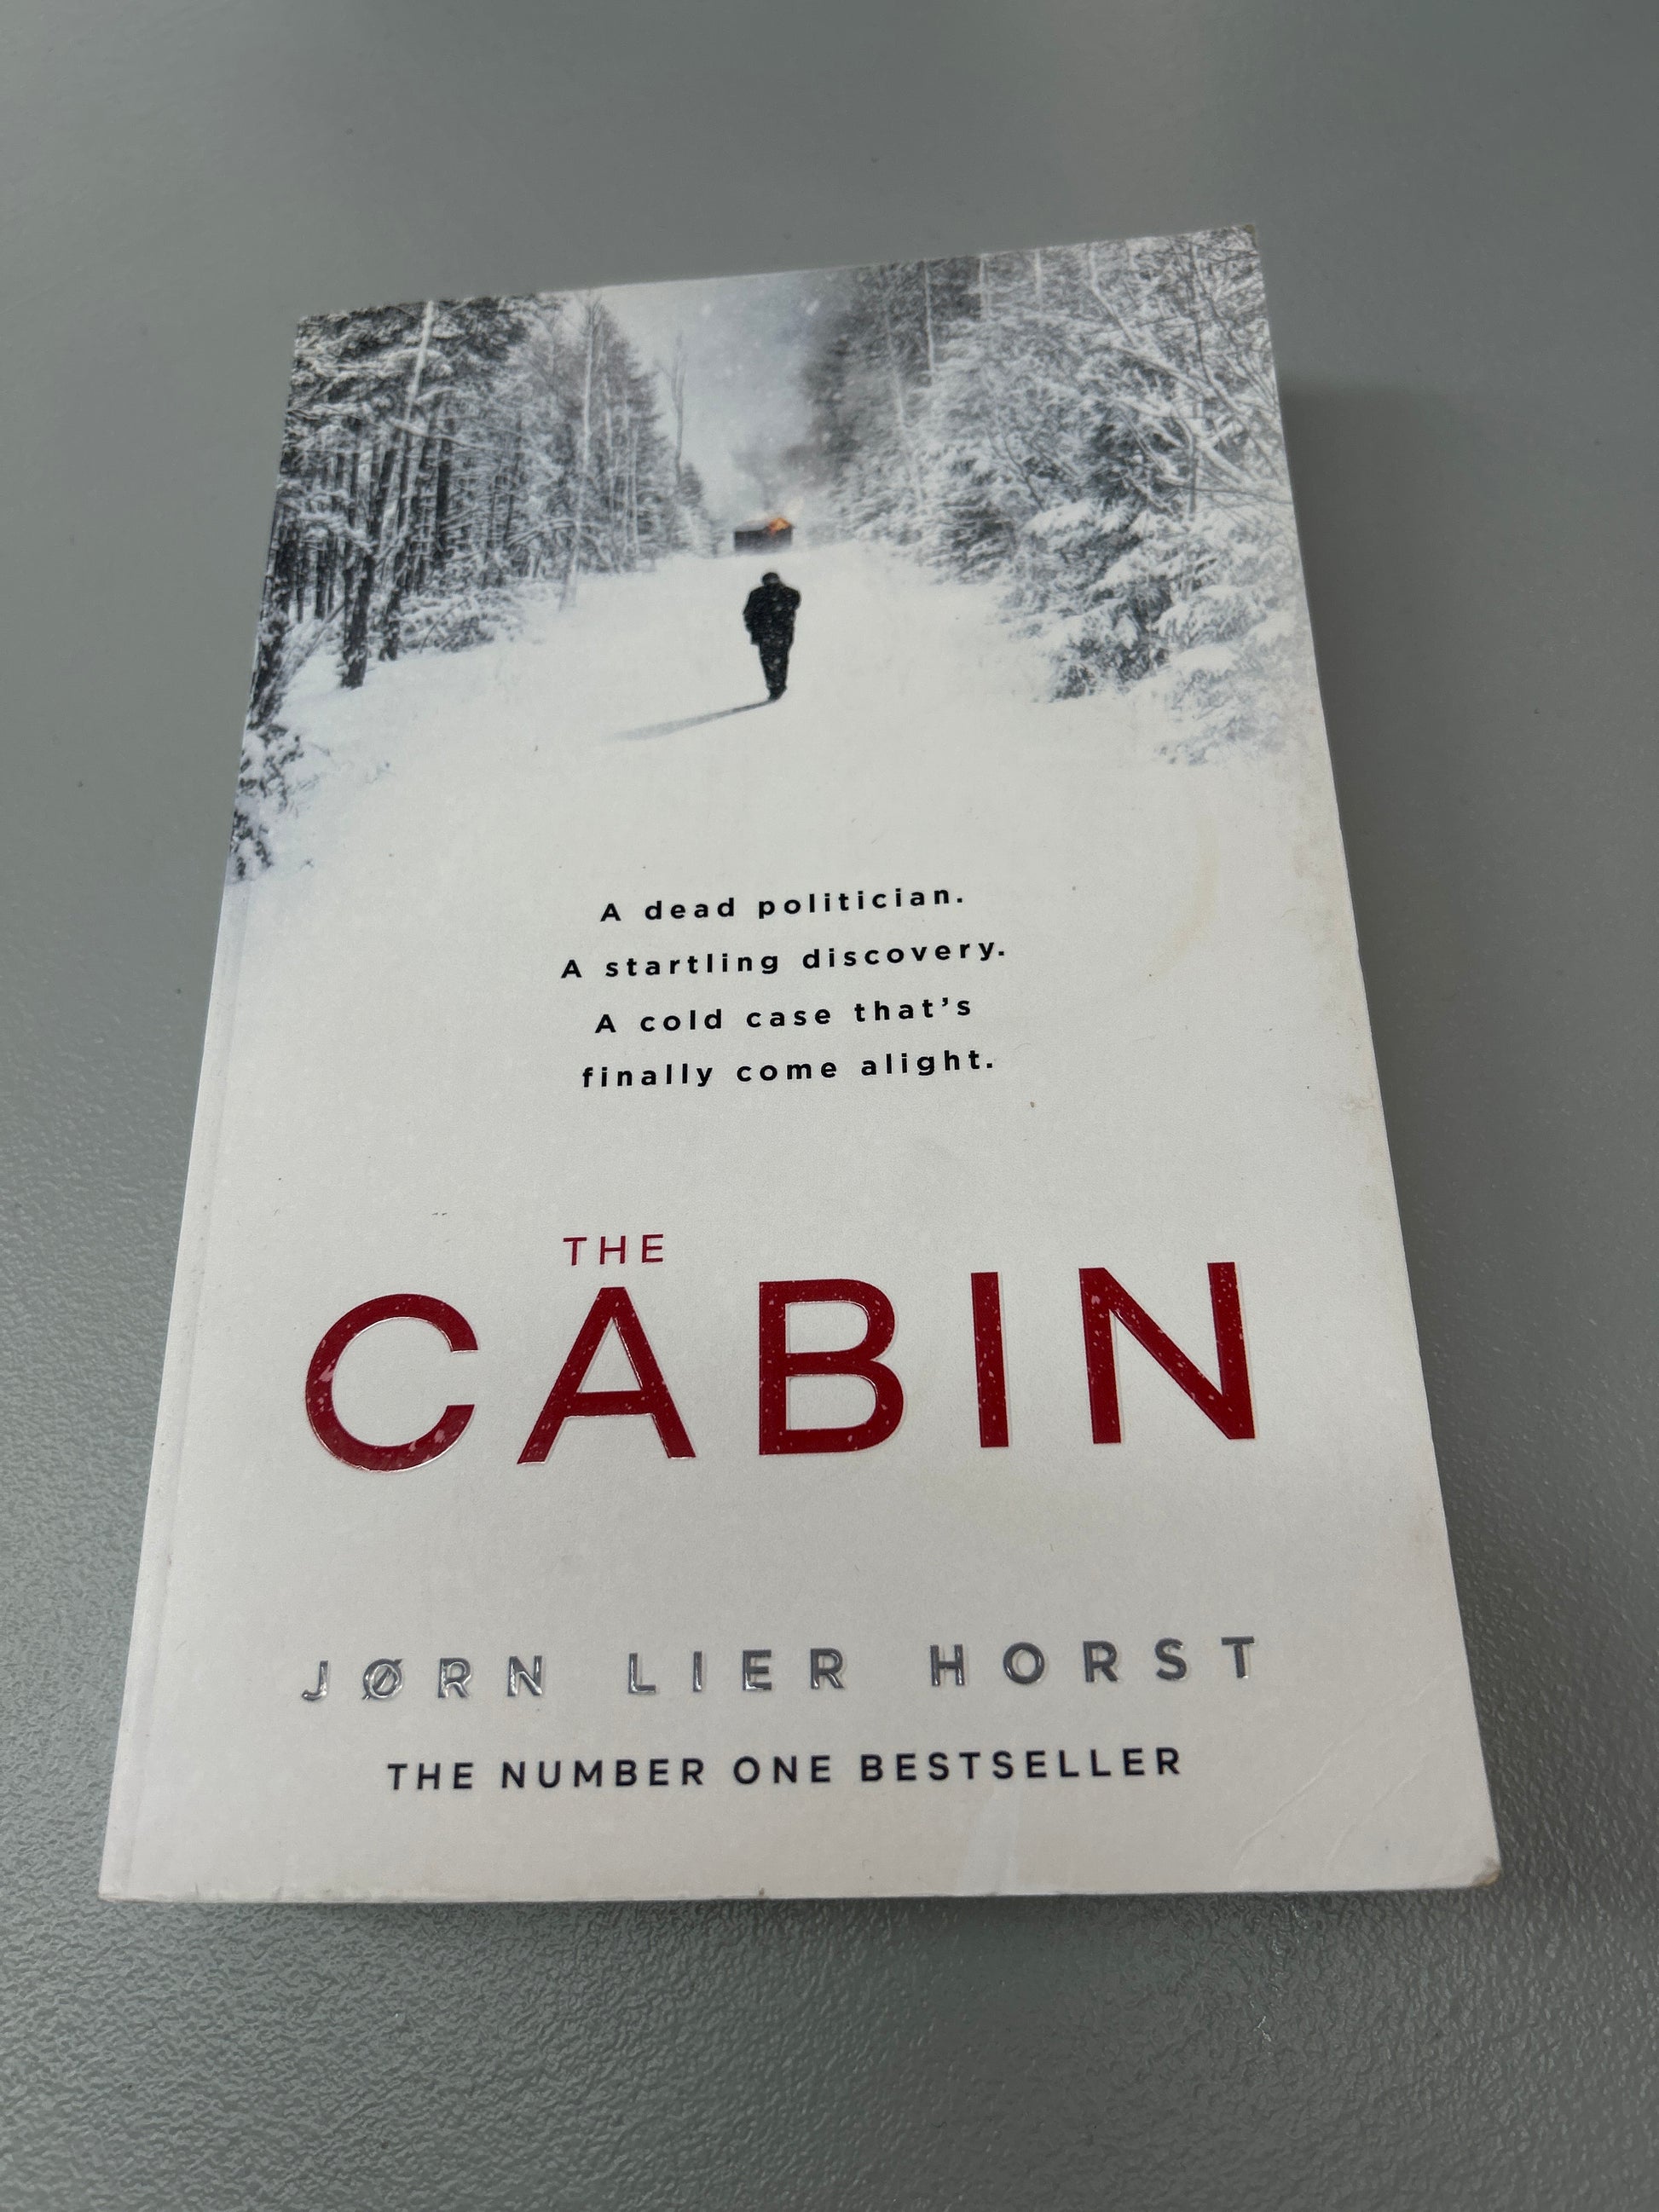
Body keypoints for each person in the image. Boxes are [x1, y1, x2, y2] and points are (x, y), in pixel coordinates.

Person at [743, 570, 801, 700]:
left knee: (773, 660)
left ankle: (776, 686)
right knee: (776, 660)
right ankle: (776, 686)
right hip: (775, 633)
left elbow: (748, 614)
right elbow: (748, 614)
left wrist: (753, 628)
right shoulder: (785, 593)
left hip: (773, 633)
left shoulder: (761, 594)